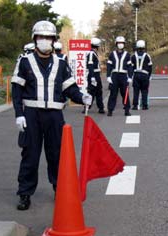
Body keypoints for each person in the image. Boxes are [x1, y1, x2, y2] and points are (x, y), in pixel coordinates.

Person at [11, 20, 92, 211]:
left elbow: (70, 89)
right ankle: (24, 193)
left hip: (55, 116)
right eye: (41, 37)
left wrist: (82, 97)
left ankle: (60, 189)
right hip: (31, 114)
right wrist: (19, 114)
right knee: (30, 155)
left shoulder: (61, 64)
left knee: (57, 155)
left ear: (54, 40)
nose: (44, 40)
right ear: (34, 39)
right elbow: (16, 91)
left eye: (48, 37)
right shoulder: (24, 61)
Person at [106, 36, 133, 116]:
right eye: (119, 43)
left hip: (123, 76)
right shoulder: (112, 54)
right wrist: (108, 76)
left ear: (124, 44)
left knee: (125, 93)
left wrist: (130, 77)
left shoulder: (127, 55)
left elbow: (130, 67)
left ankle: (127, 110)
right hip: (114, 76)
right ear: (116, 44)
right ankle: (110, 110)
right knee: (113, 93)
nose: (120, 44)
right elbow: (109, 66)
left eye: (122, 43)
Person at [83, 37, 105, 114]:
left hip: (95, 75)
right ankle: (87, 107)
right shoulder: (92, 54)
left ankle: (100, 108)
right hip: (94, 75)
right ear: (97, 46)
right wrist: (92, 77)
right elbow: (90, 65)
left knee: (97, 91)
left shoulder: (93, 53)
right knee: (92, 92)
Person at [131, 40, 153, 110]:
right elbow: (150, 67)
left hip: (136, 74)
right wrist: (149, 76)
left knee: (136, 91)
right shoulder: (147, 56)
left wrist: (131, 75)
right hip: (145, 75)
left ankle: (135, 105)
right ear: (144, 47)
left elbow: (131, 67)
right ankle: (144, 105)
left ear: (137, 47)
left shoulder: (133, 56)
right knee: (144, 91)